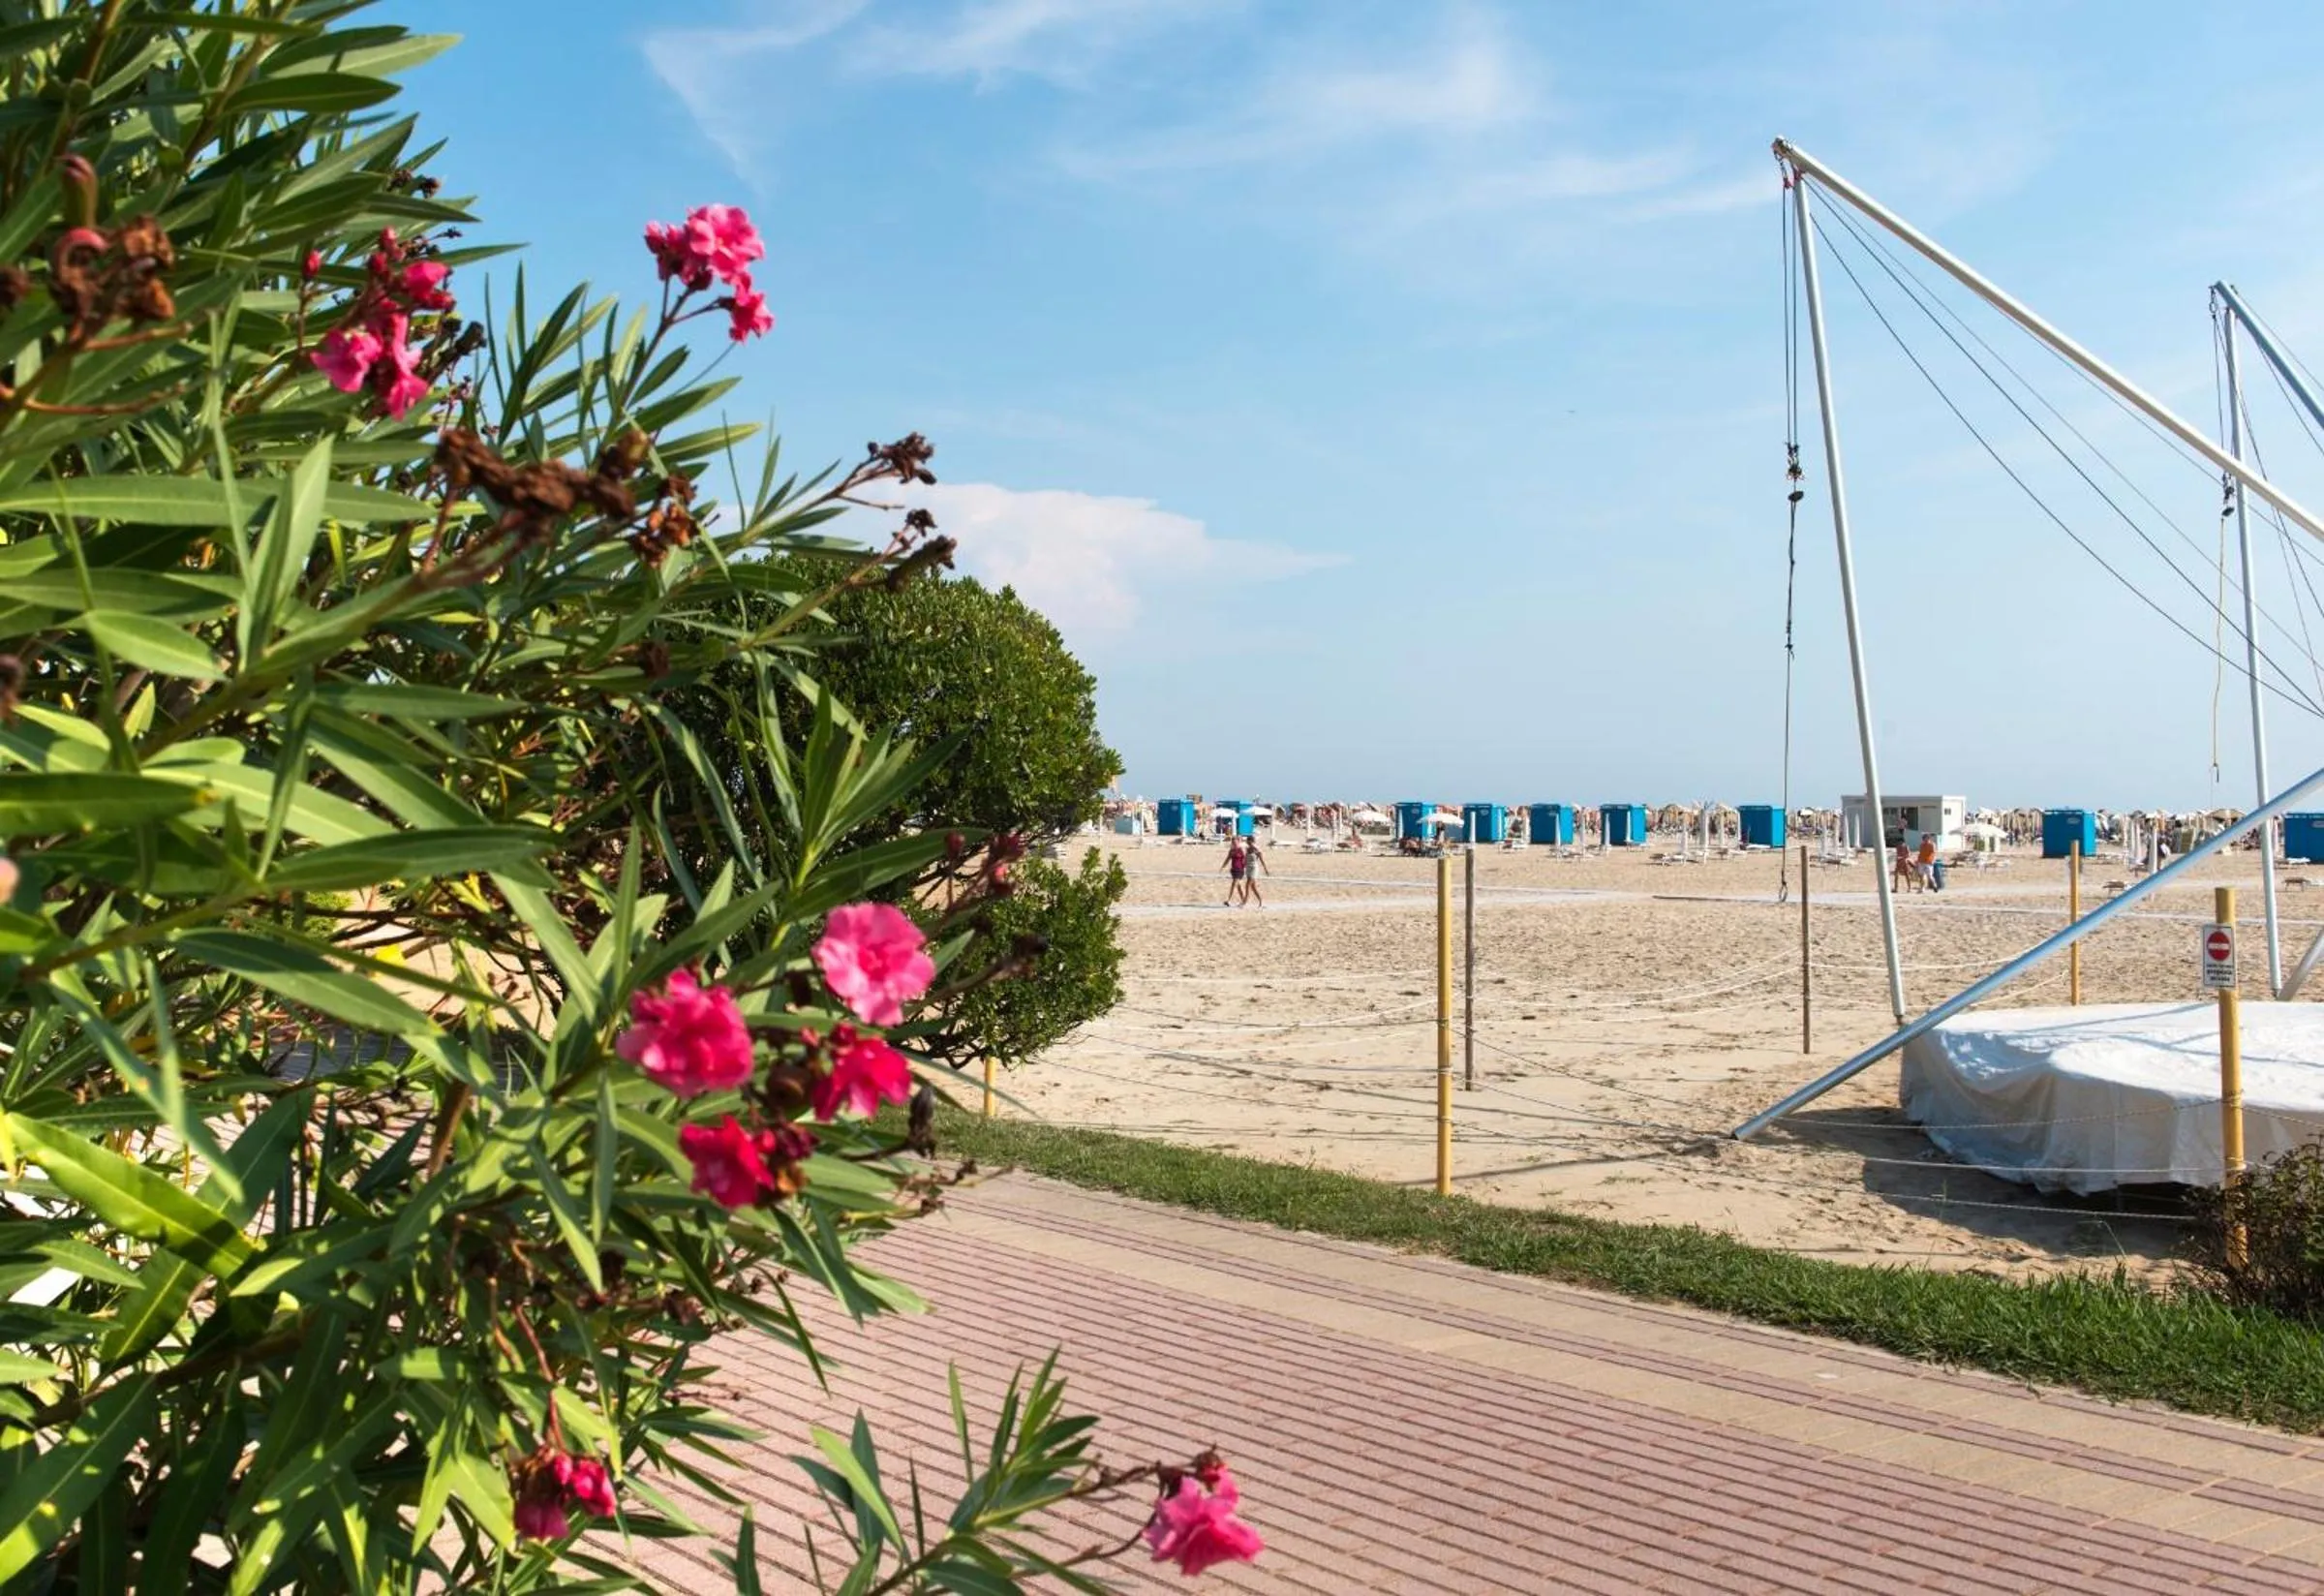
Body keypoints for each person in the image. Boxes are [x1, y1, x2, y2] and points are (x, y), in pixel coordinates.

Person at [1241, 833, 1269, 906]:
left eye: (1248, 841)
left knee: (1247, 885)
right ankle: (1261, 901)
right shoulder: (1247, 849)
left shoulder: (1256, 849)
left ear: (1251, 841)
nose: (1246, 842)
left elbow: (1261, 859)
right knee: (1253, 887)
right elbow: (1246, 860)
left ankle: (1244, 902)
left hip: (1254, 868)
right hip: (1248, 868)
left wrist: (1265, 869)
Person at [1221, 836, 1249, 905]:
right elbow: (1227, 859)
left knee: (1233, 884)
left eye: (1235, 842)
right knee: (1238, 886)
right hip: (1233, 870)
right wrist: (1223, 867)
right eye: (1233, 842)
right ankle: (1243, 900)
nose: (1234, 843)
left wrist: (1246, 866)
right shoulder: (1231, 850)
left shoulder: (1241, 849)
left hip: (1240, 869)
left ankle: (1228, 900)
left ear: (1238, 842)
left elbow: (1246, 858)